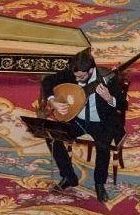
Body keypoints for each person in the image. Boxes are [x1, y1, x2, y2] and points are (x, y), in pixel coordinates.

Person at [42, 49, 127, 202]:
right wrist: (52, 100)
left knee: (103, 146)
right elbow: (47, 81)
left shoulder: (108, 78)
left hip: (102, 121)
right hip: (78, 119)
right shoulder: (74, 72)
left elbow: (123, 104)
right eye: (75, 76)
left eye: (81, 77)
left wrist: (109, 98)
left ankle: (99, 184)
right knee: (52, 137)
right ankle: (69, 176)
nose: (77, 79)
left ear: (91, 70)